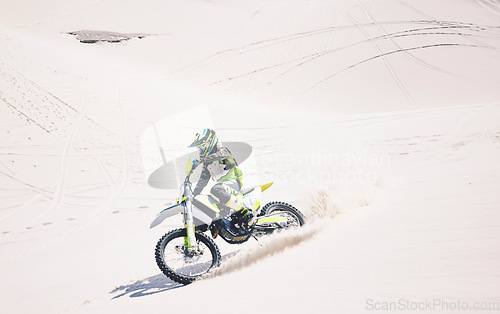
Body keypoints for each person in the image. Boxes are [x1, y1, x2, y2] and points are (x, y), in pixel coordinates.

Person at [188, 128, 254, 230]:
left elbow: (217, 156)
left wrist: (201, 160)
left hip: (233, 181)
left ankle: (244, 210)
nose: (200, 151)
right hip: (224, 187)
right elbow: (203, 181)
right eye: (199, 149)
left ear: (209, 143)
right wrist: (193, 195)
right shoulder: (207, 163)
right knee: (206, 201)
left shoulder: (222, 151)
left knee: (216, 189)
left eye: (201, 148)